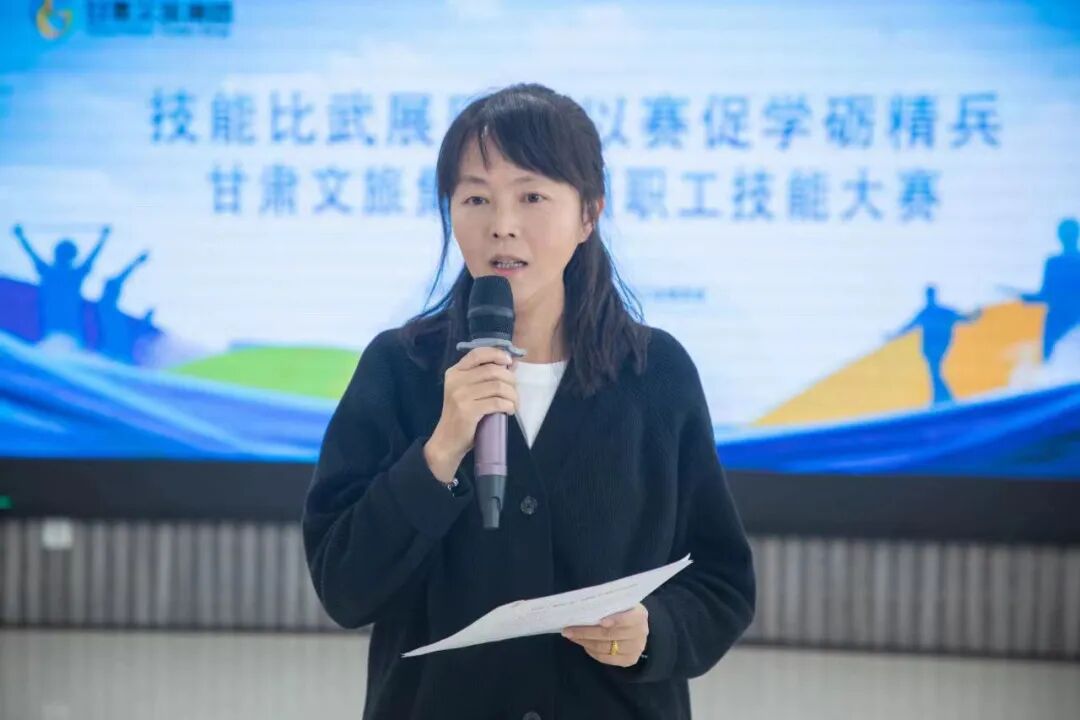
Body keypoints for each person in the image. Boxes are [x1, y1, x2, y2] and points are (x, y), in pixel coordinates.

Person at [302, 83, 755, 720]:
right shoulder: (399, 368)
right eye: (476, 198)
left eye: (532, 196)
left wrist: (656, 630)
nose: (502, 224)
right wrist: (440, 451)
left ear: (589, 214)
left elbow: (721, 582)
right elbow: (345, 586)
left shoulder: (655, 374)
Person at [11, 223, 109, 347]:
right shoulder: (75, 275)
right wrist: (103, 238)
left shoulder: (48, 272)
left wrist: (20, 237)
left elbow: (31, 253)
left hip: (52, 325)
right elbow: (92, 257)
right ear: (73, 256)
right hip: (70, 327)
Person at [886, 284, 982, 405]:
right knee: (934, 372)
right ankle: (940, 397)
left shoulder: (939, 312)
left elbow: (964, 318)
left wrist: (975, 315)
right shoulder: (929, 312)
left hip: (938, 347)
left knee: (935, 372)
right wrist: (893, 335)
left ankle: (943, 397)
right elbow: (908, 327)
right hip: (929, 348)